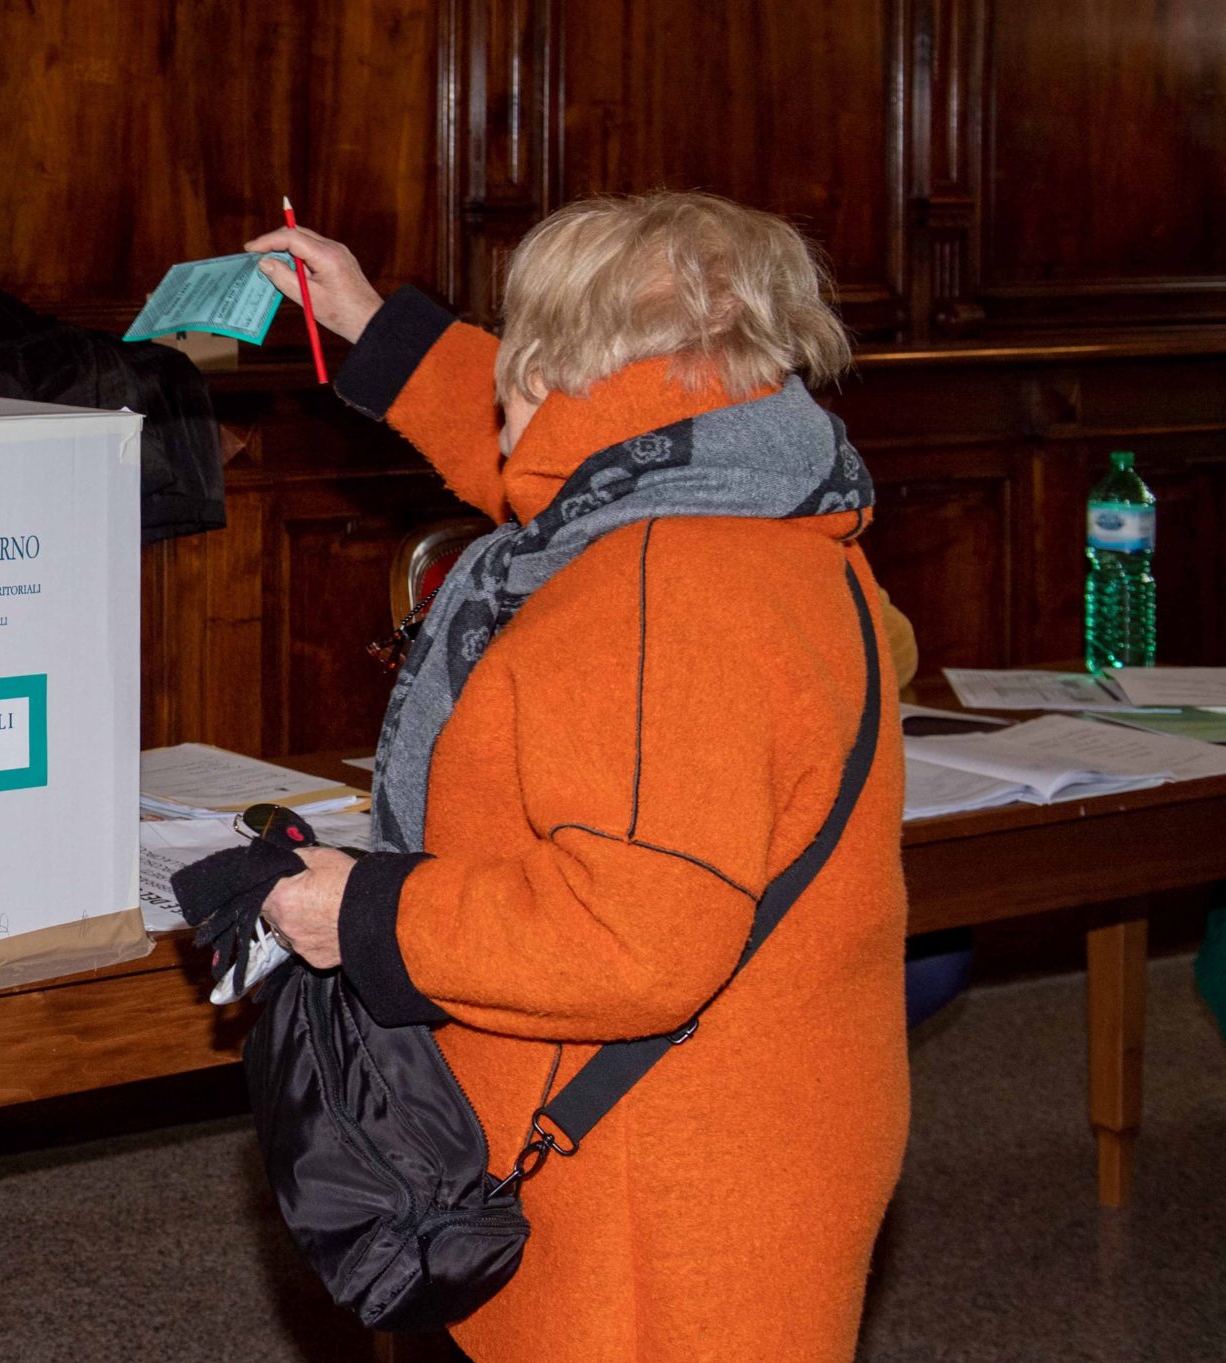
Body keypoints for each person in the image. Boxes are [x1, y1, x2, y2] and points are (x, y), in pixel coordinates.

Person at [243, 193, 910, 1363]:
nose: (501, 374)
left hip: (649, 1183)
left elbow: (631, 940)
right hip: (765, 1114)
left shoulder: (655, 594)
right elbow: (555, 463)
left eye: (521, 343)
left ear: (553, 369)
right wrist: (368, 322)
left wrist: (360, 911)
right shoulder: (756, 488)